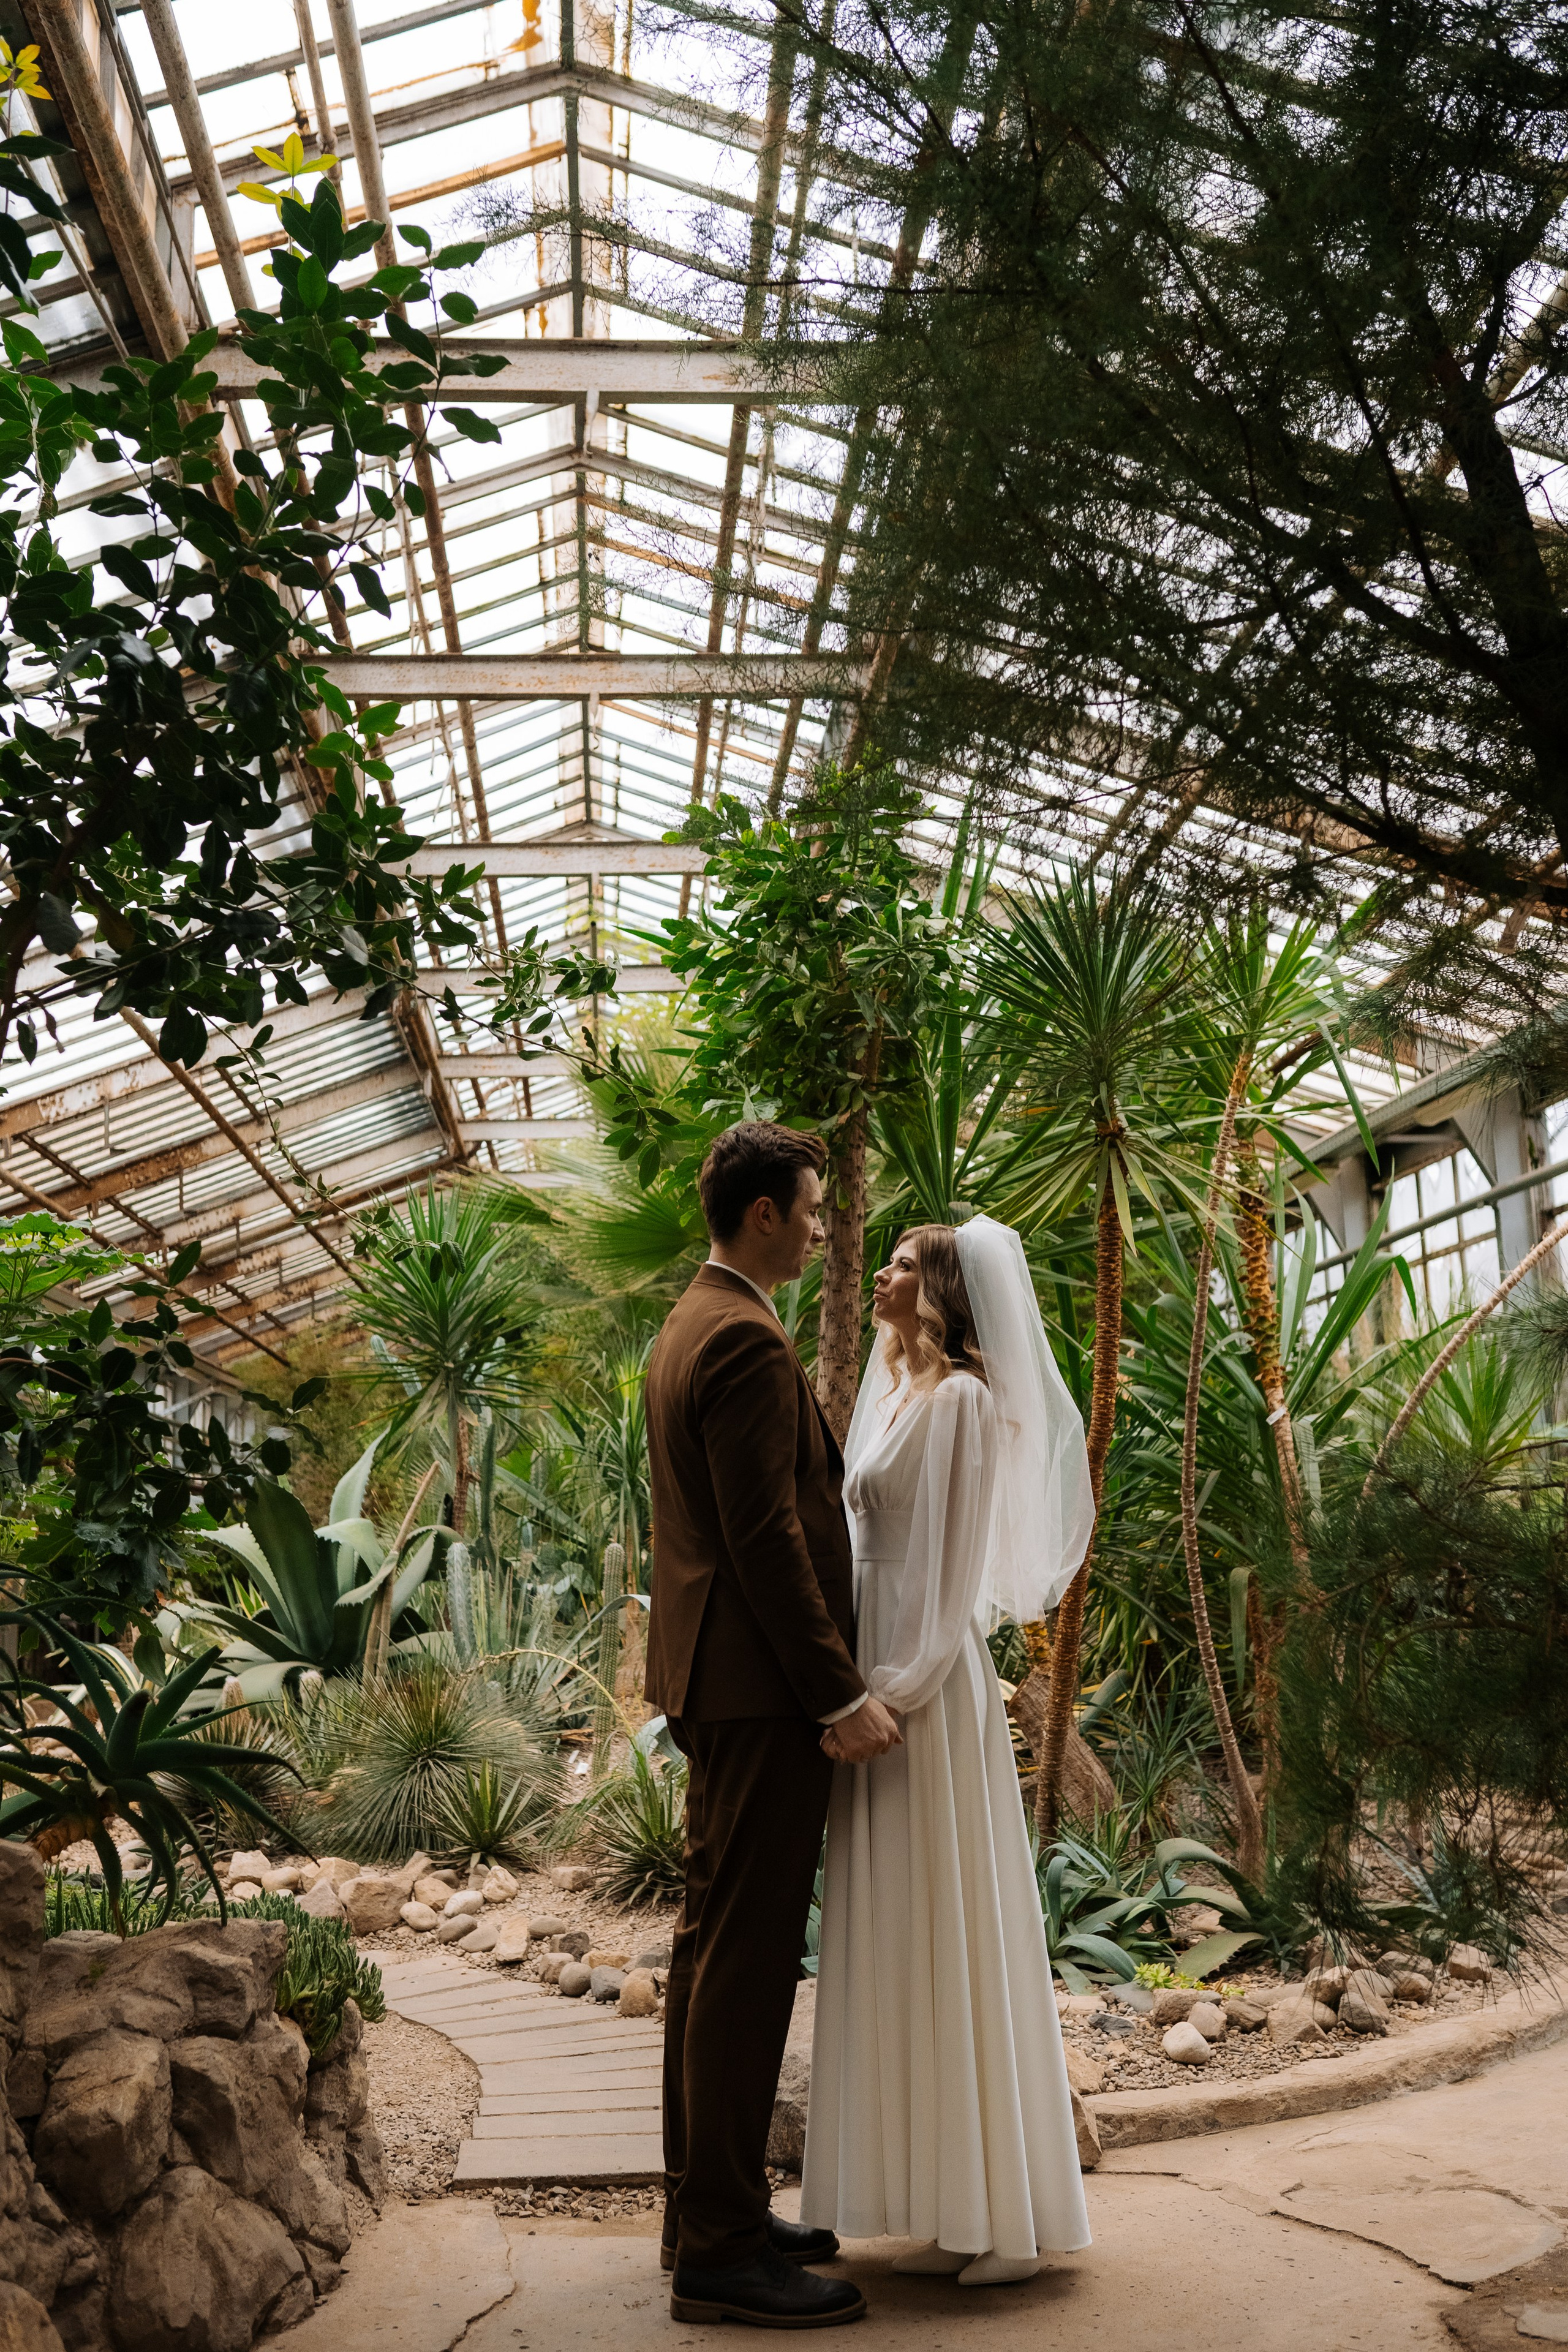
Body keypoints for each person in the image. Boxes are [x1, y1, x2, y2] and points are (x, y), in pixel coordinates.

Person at [800, 1217, 1096, 2284]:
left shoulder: (967, 1402)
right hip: (877, 1676)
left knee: (954, 1928)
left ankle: (1006, 2223)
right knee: (898, 1936)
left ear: (939, 1291)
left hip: (920, 1690)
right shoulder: (898, 1391)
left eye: (899, 1264)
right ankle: (938, 2200)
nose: (877, 1274)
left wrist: (889, 1693)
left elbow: (955, 1570)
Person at [644, 1120, 902, 2328]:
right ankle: (722, 2253)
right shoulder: (742, 1339)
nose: (818, 1226)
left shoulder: (693, 1319)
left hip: (716, 1685)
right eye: (807, 1208)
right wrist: (834, 1692)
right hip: (758, 1693)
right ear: (760, 1214)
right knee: (742, 1966)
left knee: (709, 1949)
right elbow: (764, 1536)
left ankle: (707, 2207)